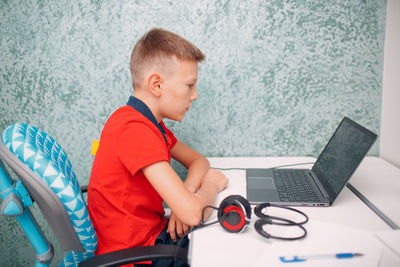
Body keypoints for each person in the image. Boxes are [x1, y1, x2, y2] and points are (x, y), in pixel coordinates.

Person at [87, 28, 228, 266]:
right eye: (189, 85)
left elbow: (198, 161)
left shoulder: (149, 125)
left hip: (154, 239)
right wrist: (211, 185)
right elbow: (194, 214)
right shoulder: (133, 130)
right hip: (140, 256)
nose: (194, 95)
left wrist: (185, 196)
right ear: (157, 84)